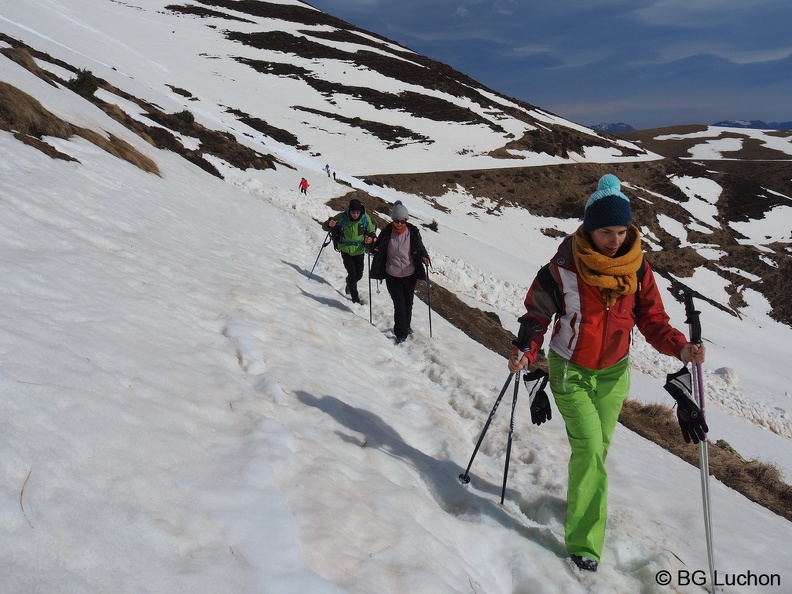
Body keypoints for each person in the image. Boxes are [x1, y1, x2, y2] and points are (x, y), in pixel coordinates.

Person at [507, 173, 707, 572]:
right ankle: (584, 545)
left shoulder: (638, 269)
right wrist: (527, 353)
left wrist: (680, 347)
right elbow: (536, 316)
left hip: (615, 373)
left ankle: (582, 503)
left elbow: (652, 320)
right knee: (590, 451)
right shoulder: (562, 267)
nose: (615, 240)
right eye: (606, 232)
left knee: (596, 452)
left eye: (621, 231)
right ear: (588, 229)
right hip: (571, 370)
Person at [370, 201, 431, 344]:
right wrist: (372, 245)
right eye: (396, 220)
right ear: (393, 219)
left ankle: (407, 325)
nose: (399, 224)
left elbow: (420, 248)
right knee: (399, 304)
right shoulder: (386, 233)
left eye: (402, 221)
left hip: (410, 275)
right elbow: (375, 247)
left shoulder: (413, 233)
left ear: (406, 220)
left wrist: (424, 257)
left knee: (408, 302)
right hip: (392, 275)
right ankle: (400, 333)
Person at [322, 198, 377, 304]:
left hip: (359, 250)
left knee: (359, 275)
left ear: (360, 211)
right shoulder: (342, 217)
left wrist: (370, 237)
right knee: (352, 273)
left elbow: (371, 231)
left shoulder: (365, 218)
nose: (355, 215)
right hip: (345, 249)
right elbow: (325, 226)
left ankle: (349, 283)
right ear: (349, 210)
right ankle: (355, 298)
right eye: (353, 212)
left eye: (357, 212)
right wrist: (330, 224)